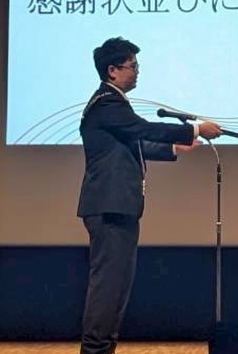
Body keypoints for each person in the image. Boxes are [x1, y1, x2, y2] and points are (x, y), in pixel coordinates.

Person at [77, 36, 222, 354]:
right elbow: (142, 129)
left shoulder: (111, 103)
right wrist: (195, 129)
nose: (137, 71)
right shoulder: (107, 102)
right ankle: (95, 350)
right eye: (133, 65)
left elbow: (133, 143)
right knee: (108, 286)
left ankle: (104, 348)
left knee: (118, 286)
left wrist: (173, 147)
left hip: (119, 205)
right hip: (109, 206)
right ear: (112, 70)